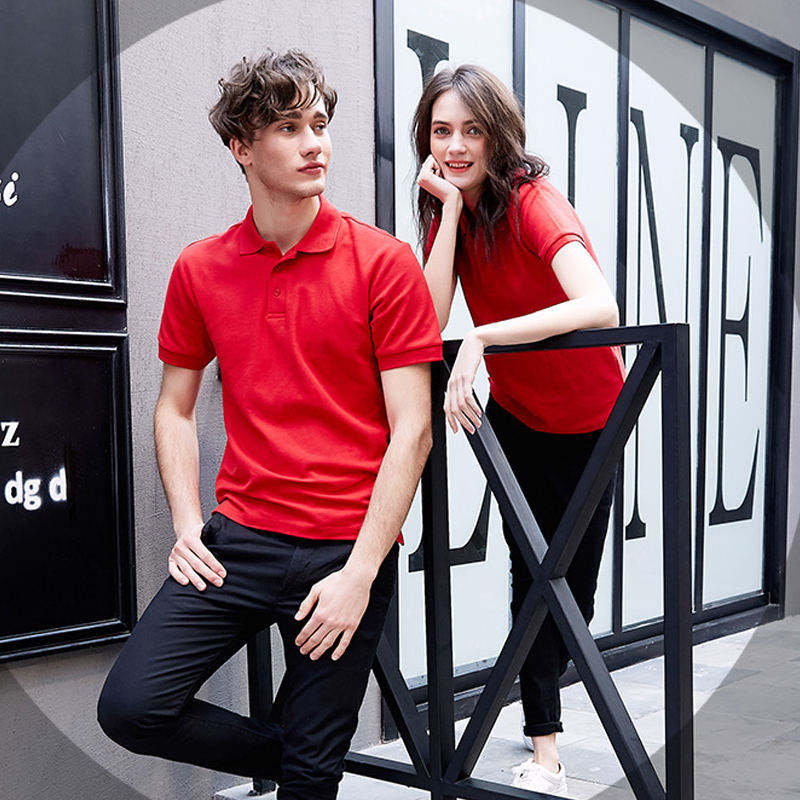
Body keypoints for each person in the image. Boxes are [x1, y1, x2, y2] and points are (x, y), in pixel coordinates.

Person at [96, 50, 442, 800]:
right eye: (289, 128)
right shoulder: (201, 268)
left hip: (343, 550)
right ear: (241, 148)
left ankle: (310, 764)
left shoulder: (384, 263)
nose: (315, 143)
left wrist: (360, 574)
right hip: (239, 542)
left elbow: (413, 430)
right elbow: (173, 407)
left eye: (320, 124)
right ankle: (306, 756)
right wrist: (186, 524)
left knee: (308, 788)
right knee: (132, 707)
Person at [413, 64, 624, 794]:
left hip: (592, 420)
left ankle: (540, 695)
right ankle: (545, 750)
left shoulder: (534, 202)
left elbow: (598, 305)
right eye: (442, 131)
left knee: (573, 597)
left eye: (472, 131)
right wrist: (445, 212)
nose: (455, 146)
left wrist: (484, 337)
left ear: (498, 135)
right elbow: (430, 319)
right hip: (519, 418)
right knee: (532, 578)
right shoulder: (454, 210)